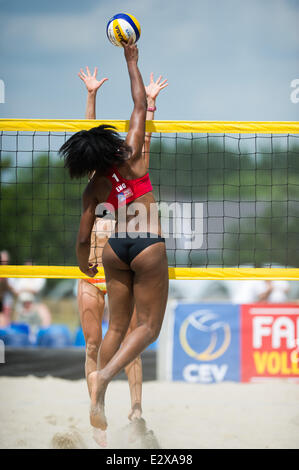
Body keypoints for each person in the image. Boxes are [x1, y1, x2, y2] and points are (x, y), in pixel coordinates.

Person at [60, 38, 169, 431]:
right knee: (149, 328)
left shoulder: (96, 184)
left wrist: (82, 264)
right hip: (145, 244)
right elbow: (139, 105)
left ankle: (98, 395)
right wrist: (132, 61)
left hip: (113, 251)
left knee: (117, 329)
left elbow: (82, 234)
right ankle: (104, 377)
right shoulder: (133, 153)